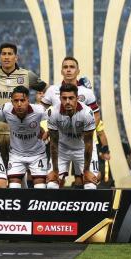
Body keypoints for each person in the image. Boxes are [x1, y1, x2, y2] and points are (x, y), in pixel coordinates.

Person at [0, 42, 47, 166]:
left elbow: (47, 90)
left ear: (16, 57)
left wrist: (41, 103)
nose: (6, 57)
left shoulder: (27, 75)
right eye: (3, 54)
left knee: (17, 173)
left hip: (20, 133)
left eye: (10, 54)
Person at [42, 56, 103, 185]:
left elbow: (96, 116)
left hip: (83, 142)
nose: (68, 70)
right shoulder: (52, 90)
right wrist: (47, 129)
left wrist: (86, 131)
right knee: (53, 181)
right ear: (61, 71)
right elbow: (45, 113)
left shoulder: (87, 93)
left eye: (72, 67)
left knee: (89, 180)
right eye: (65, 67)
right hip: (61, 143)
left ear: (78, 71)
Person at [47, 83, 97, 189]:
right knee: (51, 185)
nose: (67, 102)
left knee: (91, 186)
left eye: (71, 98)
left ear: (77, 98)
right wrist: (55, 170)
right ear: (60, 98)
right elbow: (53, 143)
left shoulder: (87, 113)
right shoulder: (53, 112)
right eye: (64, 98)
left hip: (82, 148)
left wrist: (87, 170)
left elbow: (88, 143)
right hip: (62, 149)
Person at [1, 86, 47, 188]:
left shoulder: (39, 111)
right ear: (12, 102)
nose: (19, 104)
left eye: (22, 100)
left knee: (41, 188)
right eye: (16, 101)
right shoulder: (5, 109)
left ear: (28, 101)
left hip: (37, 154)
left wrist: (46, 130)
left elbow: (54, 119)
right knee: (13, 187)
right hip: (16, 155)